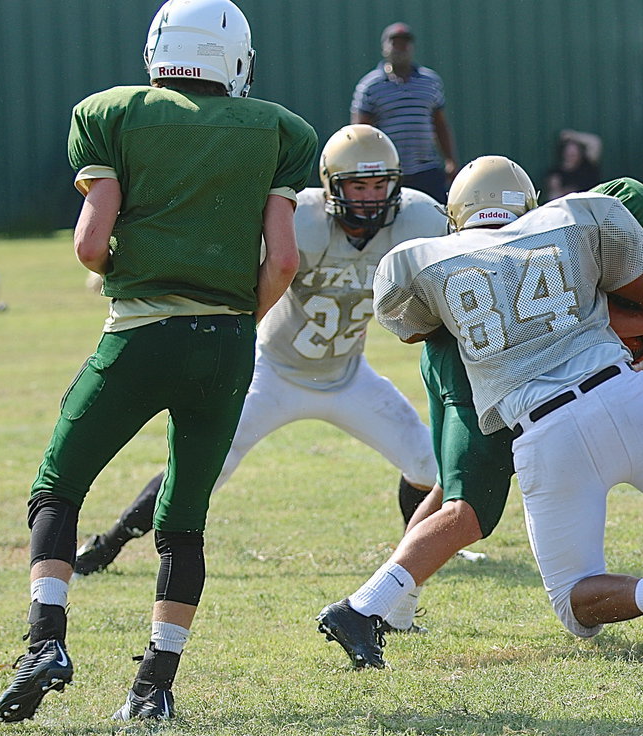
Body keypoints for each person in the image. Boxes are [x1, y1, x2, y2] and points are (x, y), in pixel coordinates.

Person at [317, 157, 643, 671]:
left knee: (570, 597)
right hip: (627, 397)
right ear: (527, 203)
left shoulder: (420, 258)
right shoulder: (573, 217)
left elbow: (415, 329)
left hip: (545, 429)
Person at [0, 0, 317, 723]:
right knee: (184, 522)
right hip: (227, 344)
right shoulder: (279, 128)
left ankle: (46, 640)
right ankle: (153, 687)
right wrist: (234, 321)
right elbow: (284, 259)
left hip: (139, 332)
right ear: (231, 57)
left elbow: (87, 244)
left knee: (58, 488)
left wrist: (131, 275)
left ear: (161, 50)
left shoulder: (111, 112)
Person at [71, 125, 445, 580]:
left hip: (348, 376)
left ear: (395, 184)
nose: (368, 198)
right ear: (332, 186)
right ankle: (110, 543)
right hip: (272, 374)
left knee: (429, 465)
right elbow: (222, 251)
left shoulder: (419, 220)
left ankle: (416, 553)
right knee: (200, 471)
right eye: (357, 186)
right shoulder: (303, 218)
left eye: (378, 185)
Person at [352, 22, 458, 204]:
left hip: (426, 170)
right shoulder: (370, 86)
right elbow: (359, 133)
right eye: (395, 43)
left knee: (438, 221)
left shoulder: (430, 81)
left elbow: (440, 123)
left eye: (405, 43)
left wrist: (450, 160)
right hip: (388, 172)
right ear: (384, 48)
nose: (400, 48)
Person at [543, 129, 602, 202]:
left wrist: (573, 136)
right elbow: (554, 194)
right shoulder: (557, 173)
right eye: (569, 153)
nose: (571, 155)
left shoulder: (588, 166)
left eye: (574, 153)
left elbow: (595, 142)